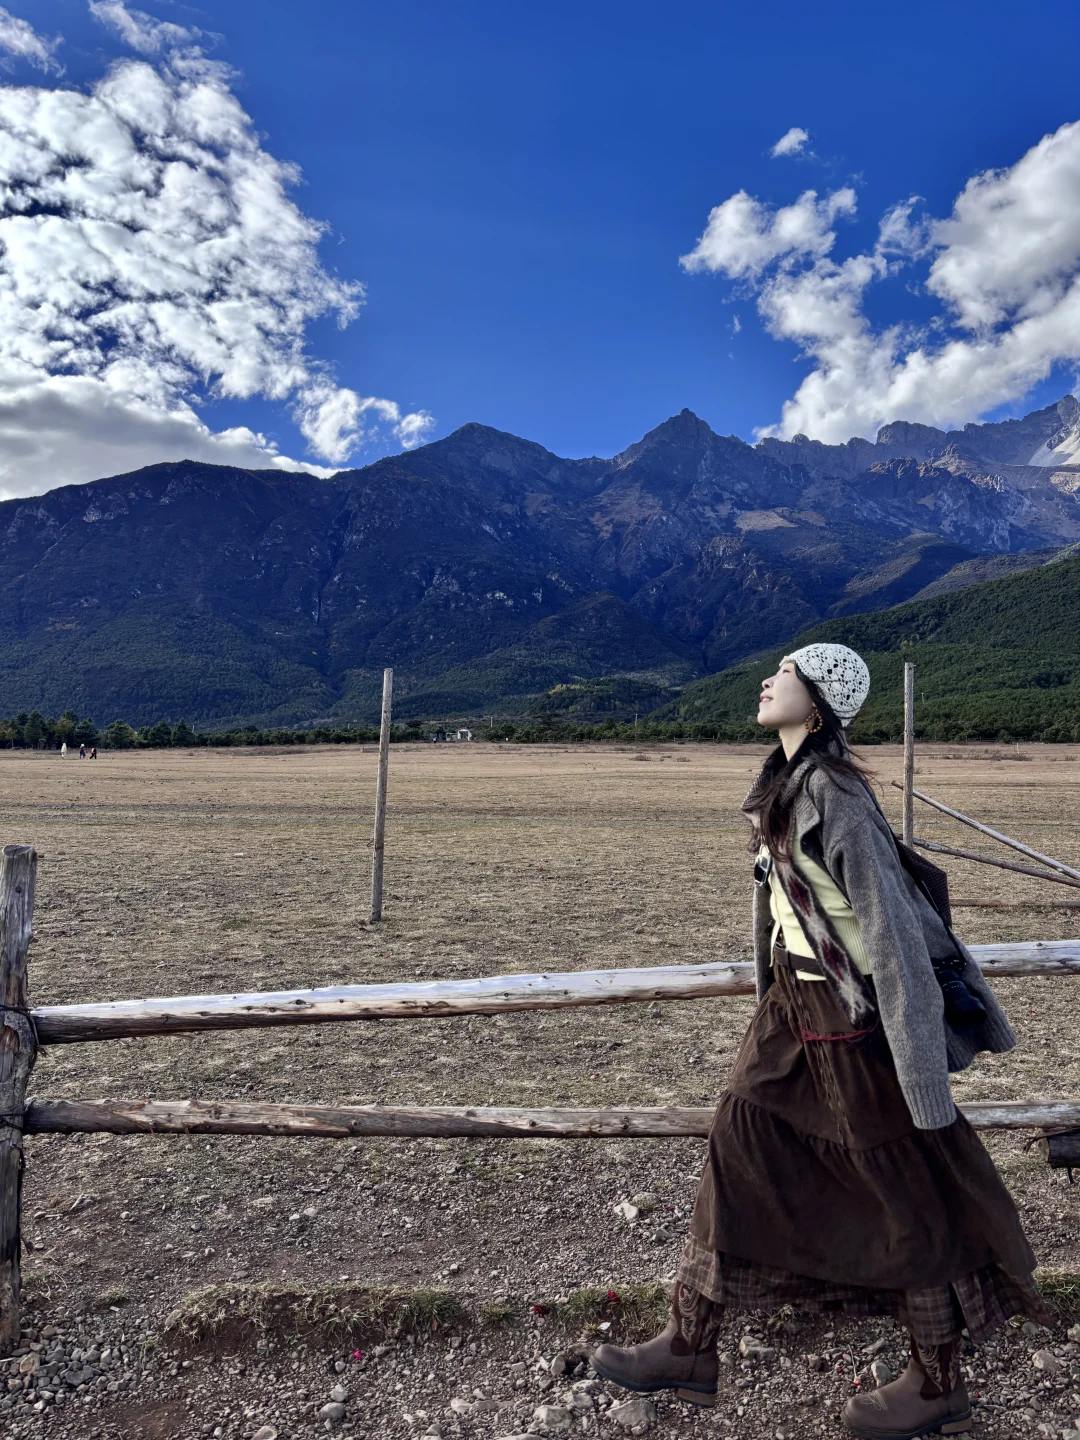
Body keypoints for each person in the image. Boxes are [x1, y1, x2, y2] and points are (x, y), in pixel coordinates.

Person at [591, 642, 1049, 1439]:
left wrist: (919, 1075)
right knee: (736, 1147)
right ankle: (690, 1345)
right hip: (791, 1016)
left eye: (787, 674)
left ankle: (939, 1382)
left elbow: (895, 937)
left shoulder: (833, 794)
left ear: (821, 701)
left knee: (905, 1194)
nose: (768, 681)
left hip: (854, 1021)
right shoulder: (785, 784)